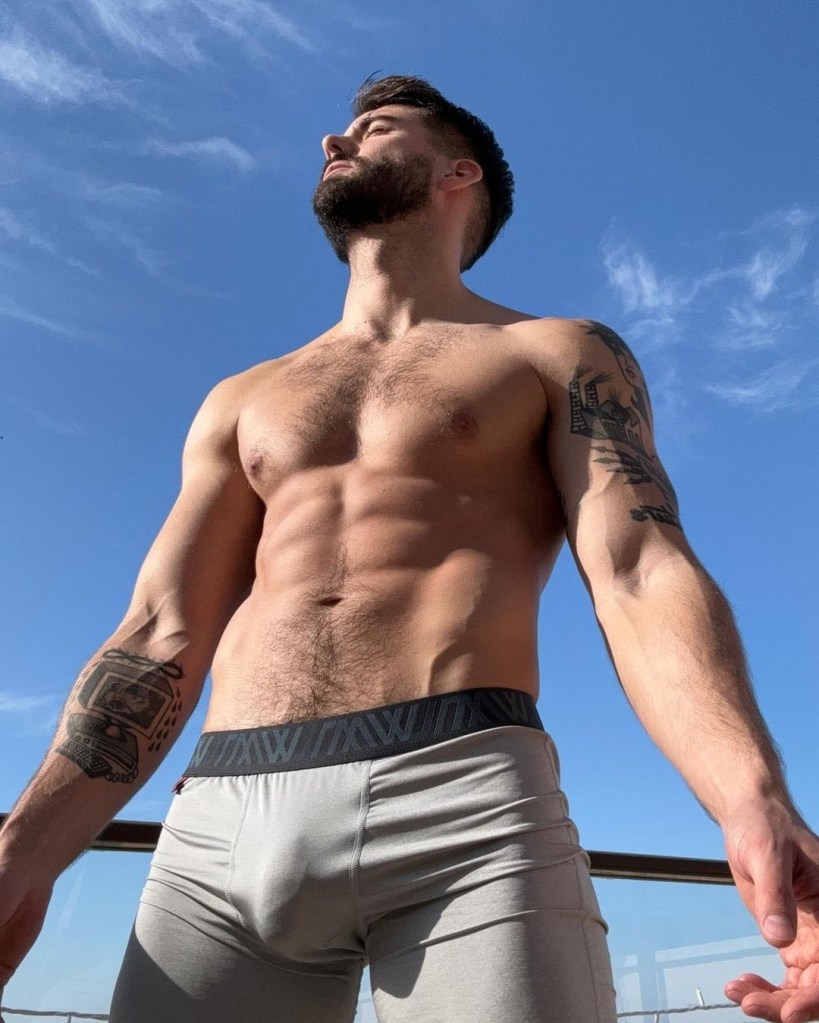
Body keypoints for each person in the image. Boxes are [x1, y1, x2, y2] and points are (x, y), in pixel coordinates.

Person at [0, 74, 817, 1023]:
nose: (333, 142)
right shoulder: (243, 396)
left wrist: (750, 798)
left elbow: (639, 571)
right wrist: (24, 851)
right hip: (216, 827)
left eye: (376, 127)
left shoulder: (553, 350)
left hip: (464, 805)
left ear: (458, 173)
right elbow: (158, 632)